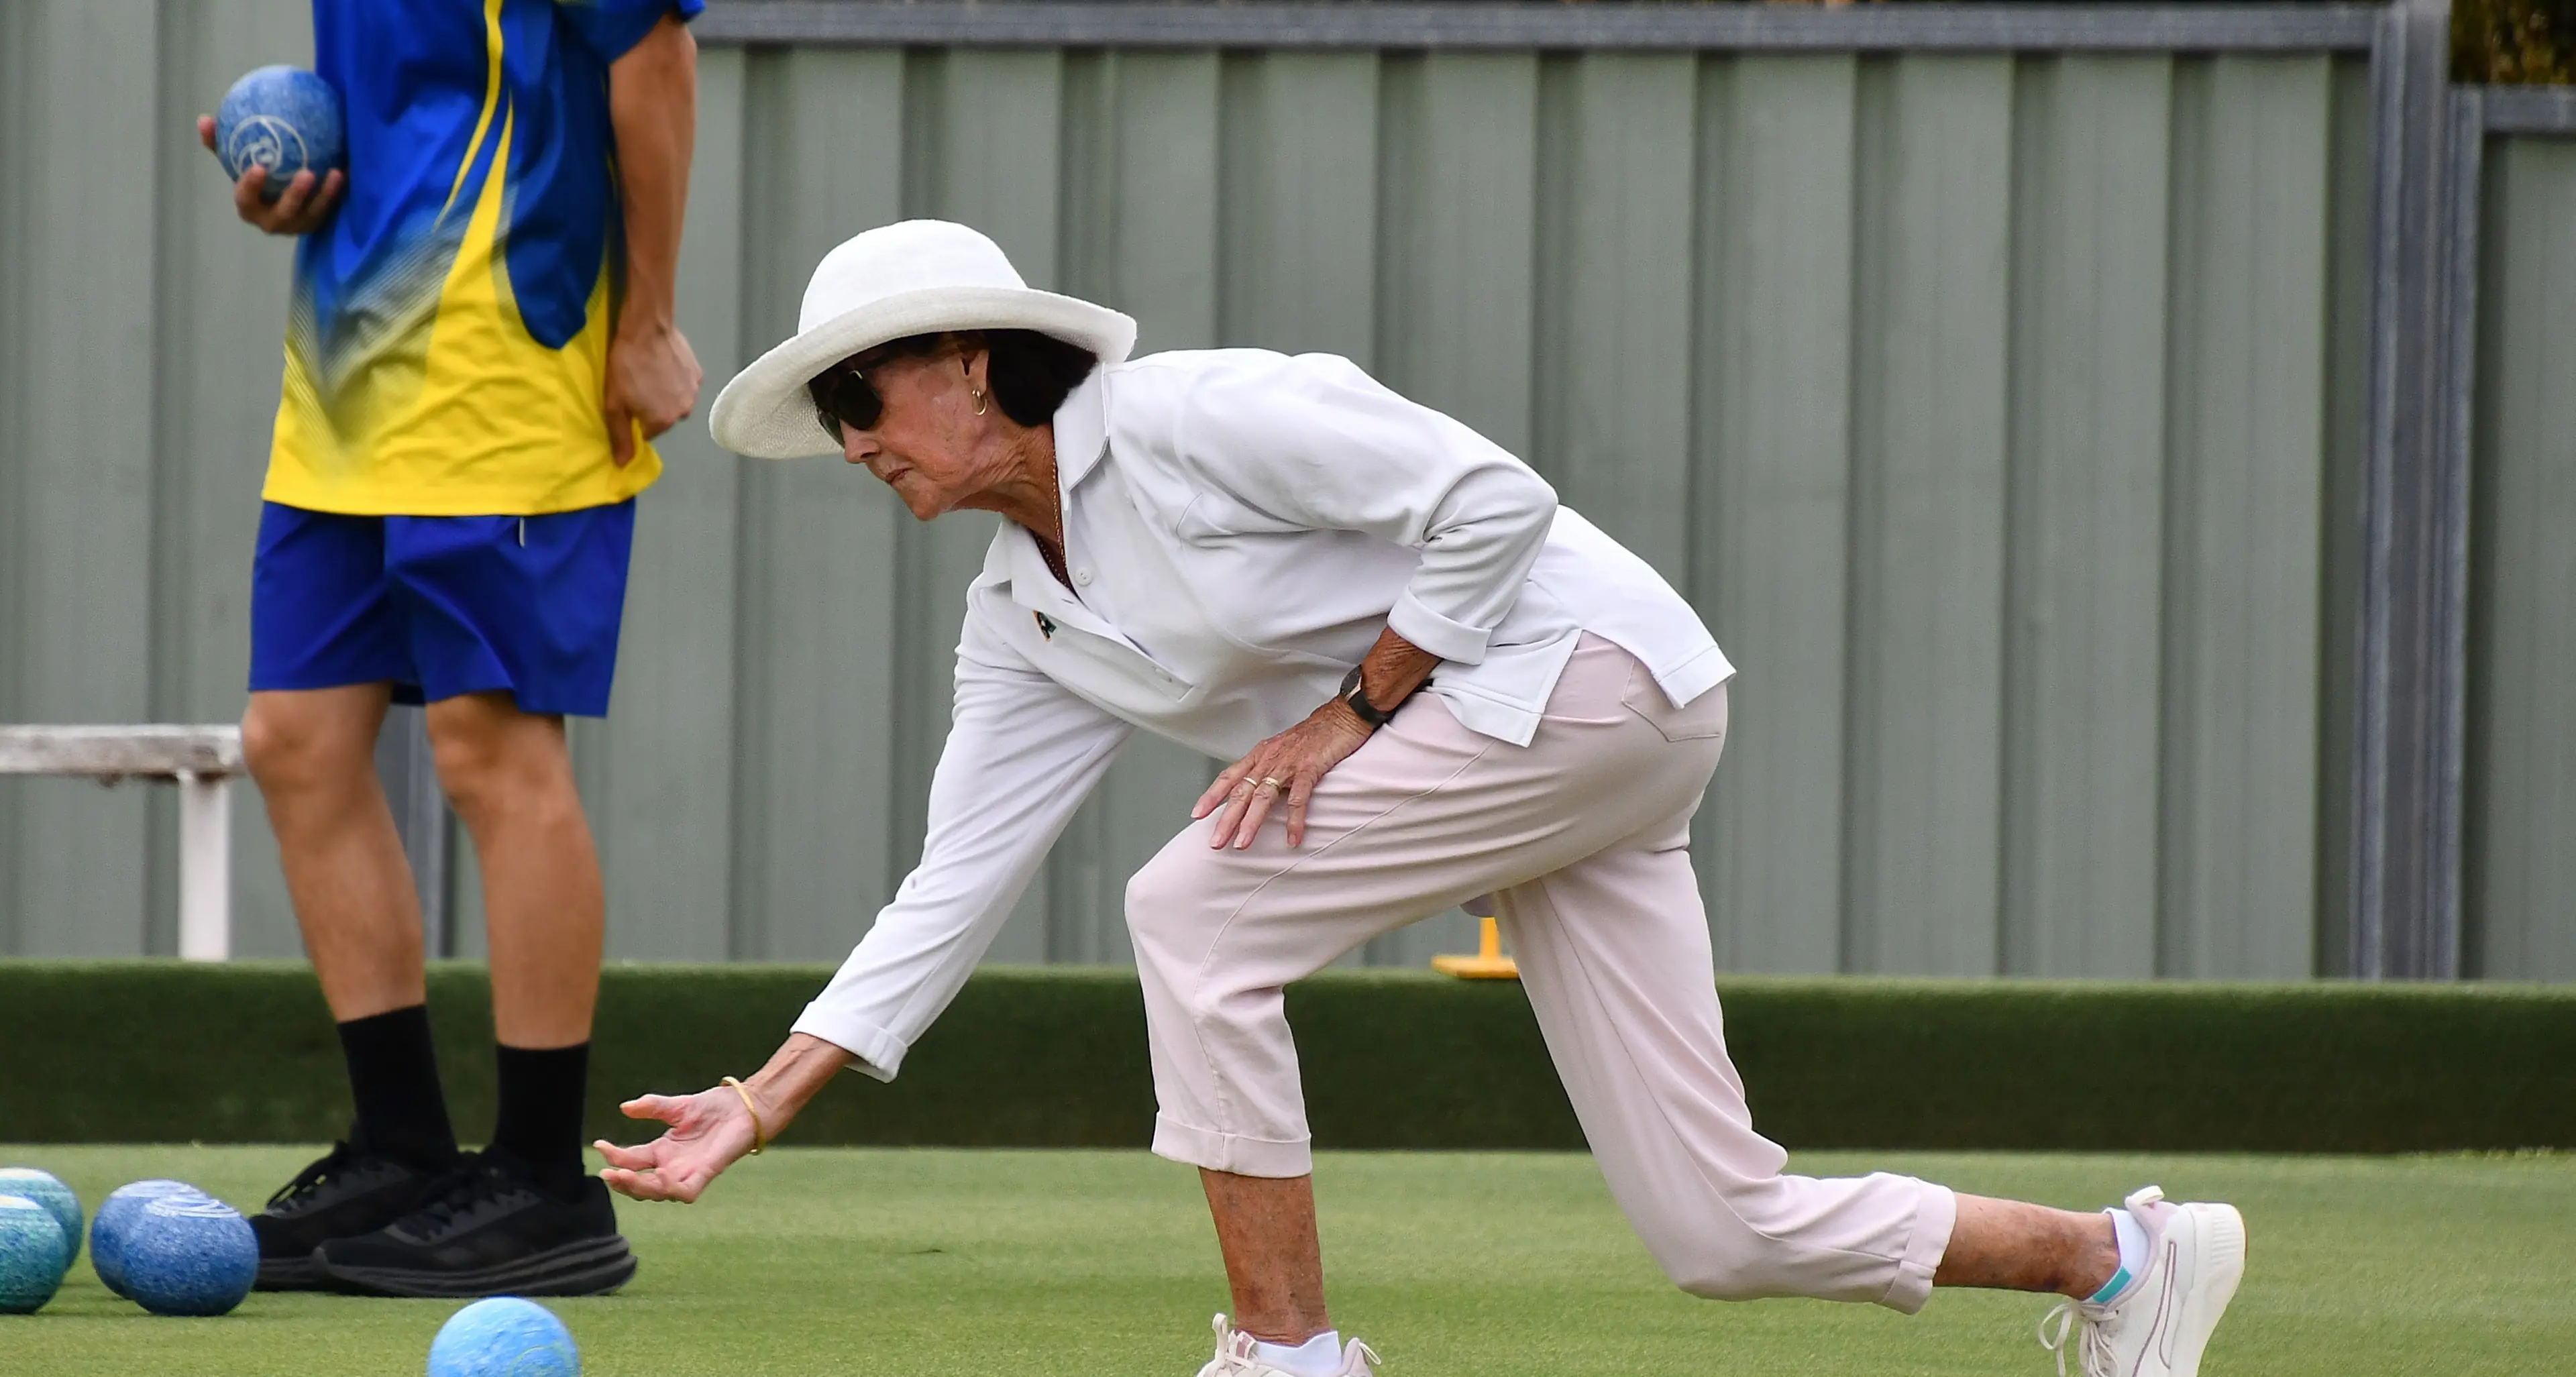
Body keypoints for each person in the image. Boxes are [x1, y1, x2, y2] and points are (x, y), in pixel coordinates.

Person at [597, 219, 2247, 1376]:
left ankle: (1287, 1356)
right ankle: (2123, 1258)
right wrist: (768, 1097)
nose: (850, 443)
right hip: (1555, 752)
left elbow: (1494, 499)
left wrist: (1355, 708)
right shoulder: (1017, 618)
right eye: (831, 417)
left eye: (859, 399)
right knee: (1720, 1231)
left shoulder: (1192, 414)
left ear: (968, 363)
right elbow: (953, 880)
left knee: (1192, 911)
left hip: (1592, 677)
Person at [204, 0, 703, 1298]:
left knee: (490, 746)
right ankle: (404, 1149)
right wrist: (302, 189)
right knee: (295, 741)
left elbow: (654, 54)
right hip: (343, 358)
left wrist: (647, 318)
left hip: (509, 355)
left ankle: (542, 1179)